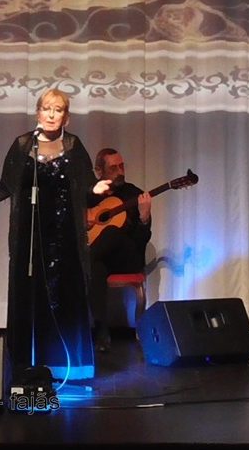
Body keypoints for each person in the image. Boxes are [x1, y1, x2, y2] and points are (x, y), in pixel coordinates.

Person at [0, 88, 111, 380]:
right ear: (38, 113)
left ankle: (69, 368)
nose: (52, 115)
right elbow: (8, 183)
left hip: (66, 236)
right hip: (29, 235)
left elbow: (87, 186)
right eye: (47, 109)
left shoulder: (74, 145)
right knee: (30, 295)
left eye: (58, 110)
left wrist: (96, 189)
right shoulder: (23, 144)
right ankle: (27, 364)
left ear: (67, 116)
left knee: (66, 296)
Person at [87, 148, 152, 352]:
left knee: (113, 232)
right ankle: (101, 330)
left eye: (121, 166)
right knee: (95, 267)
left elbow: (142, 241)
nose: (120, 171)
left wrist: (144, 218)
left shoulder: (134, 194)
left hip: (127, 256)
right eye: (113, 168)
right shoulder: (91, 197)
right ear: (99, 171)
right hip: (101, 257)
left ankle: (79, 265)